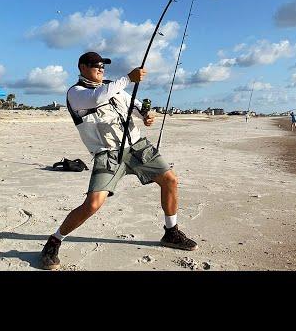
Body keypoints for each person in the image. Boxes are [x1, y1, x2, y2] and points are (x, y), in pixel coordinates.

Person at [39, 51, 197, 270]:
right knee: (93, 204)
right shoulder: (76, 93)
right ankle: (54, 241)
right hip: (108, 154)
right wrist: (129, 78)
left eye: (103, 65)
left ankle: (171, 232)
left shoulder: (114, 87)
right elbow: (97, 98)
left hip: (137, 146)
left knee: (170, 180)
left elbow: (135, 106)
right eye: (96, 65)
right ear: (82, 67)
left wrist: (145, 115)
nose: (101, 68)